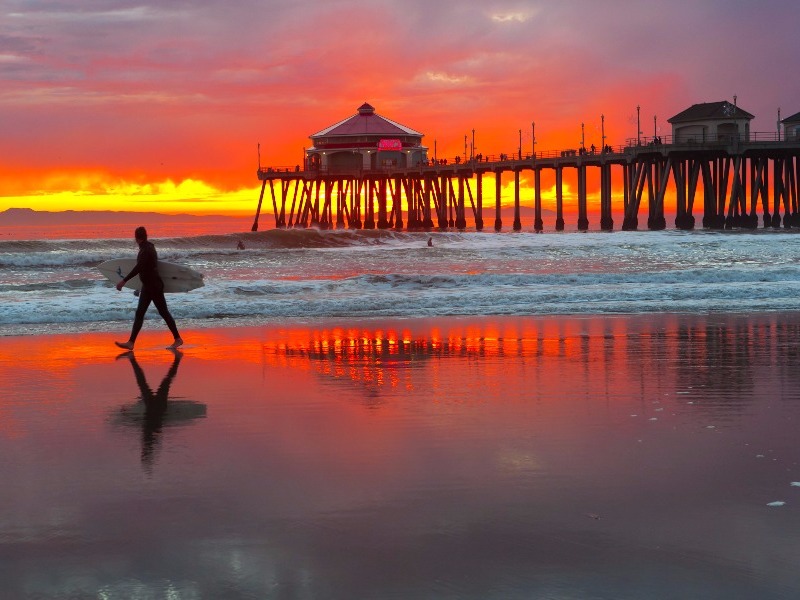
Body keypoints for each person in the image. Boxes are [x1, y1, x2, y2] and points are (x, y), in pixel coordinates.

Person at [115, 226, 183, 350]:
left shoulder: (146, 250)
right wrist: (139, 286)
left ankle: (178, 339)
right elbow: (147, 270)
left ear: (136, 238)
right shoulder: (148, 247)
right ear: (145, 236)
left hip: (154, 287)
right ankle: (131, 342)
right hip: (148, 286)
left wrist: (123, 281)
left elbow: (139, 267)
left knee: (163, 312)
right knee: (140, 313)